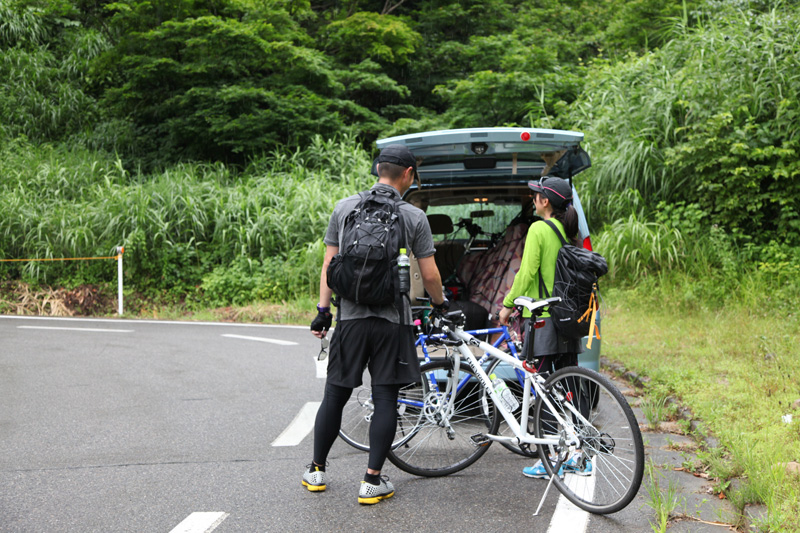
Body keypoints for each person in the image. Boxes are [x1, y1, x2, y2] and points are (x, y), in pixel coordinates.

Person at [304, 144, 448, 504]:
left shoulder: (345, 207)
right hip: (392, 322)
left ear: (377, 170)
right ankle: (371, 481)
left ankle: (317, 471)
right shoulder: (413, 217)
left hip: (350, 319)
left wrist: (324, 312)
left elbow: (329, 266)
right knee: (386, 396)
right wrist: (441, 304)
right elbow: (429, 273)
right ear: (408, 176)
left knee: (335, 395)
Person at [497, 176, 590, 479]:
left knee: (545, 389)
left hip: (545, 320)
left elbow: (527, 273)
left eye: (536, 194)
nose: (532, 197)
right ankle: (578, 454)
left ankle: (551, 458)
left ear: (545, 201)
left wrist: (508, 304)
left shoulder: (539, 228)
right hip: (568, 319)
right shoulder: (568, 231)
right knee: (570, 388)